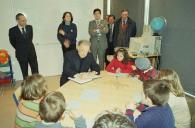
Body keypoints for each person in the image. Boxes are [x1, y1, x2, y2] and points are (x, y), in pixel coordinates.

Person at [9, 13, 39, 79]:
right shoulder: (12, 30)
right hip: (21, 54)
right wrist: (20, 48)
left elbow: (30, 39)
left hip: (31, 53)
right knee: (25, 73)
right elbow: (13, 42)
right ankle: (27, 87)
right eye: (23, 21)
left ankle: (37, 85)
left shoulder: (30, 27)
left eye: (25, 20)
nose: (25, 22)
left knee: (35, 71)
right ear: (17, 20)